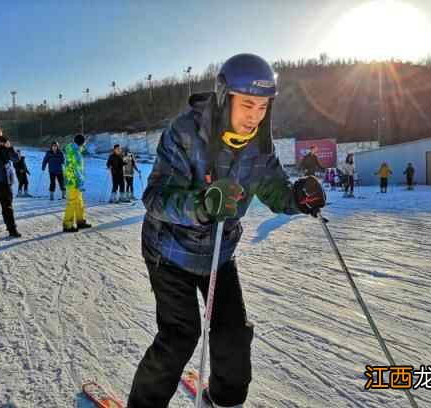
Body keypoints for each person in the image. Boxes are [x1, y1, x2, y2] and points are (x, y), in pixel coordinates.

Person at [127, 53, 326, 408]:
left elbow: (274, 189)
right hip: (170, 251)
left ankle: (223, 400)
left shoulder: (259, 143)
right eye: (247, 104)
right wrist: (202, 205)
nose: (255, 116)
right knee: (180, 336)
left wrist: (298, 197)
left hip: (218, 253)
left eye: (263, 107)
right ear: (224, 98)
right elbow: (155, 197)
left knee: (233, 335)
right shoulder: (185, 133)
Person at [63, 134, 91, 232]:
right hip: (73, 181)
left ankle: (80, 221)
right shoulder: (75, 153)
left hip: (73, 180)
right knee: (72, 202)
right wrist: (80, 183)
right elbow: (77, 169)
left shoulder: (73, 150)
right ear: (81, 143)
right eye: (84, 143)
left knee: (79, 201)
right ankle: (67, 224)